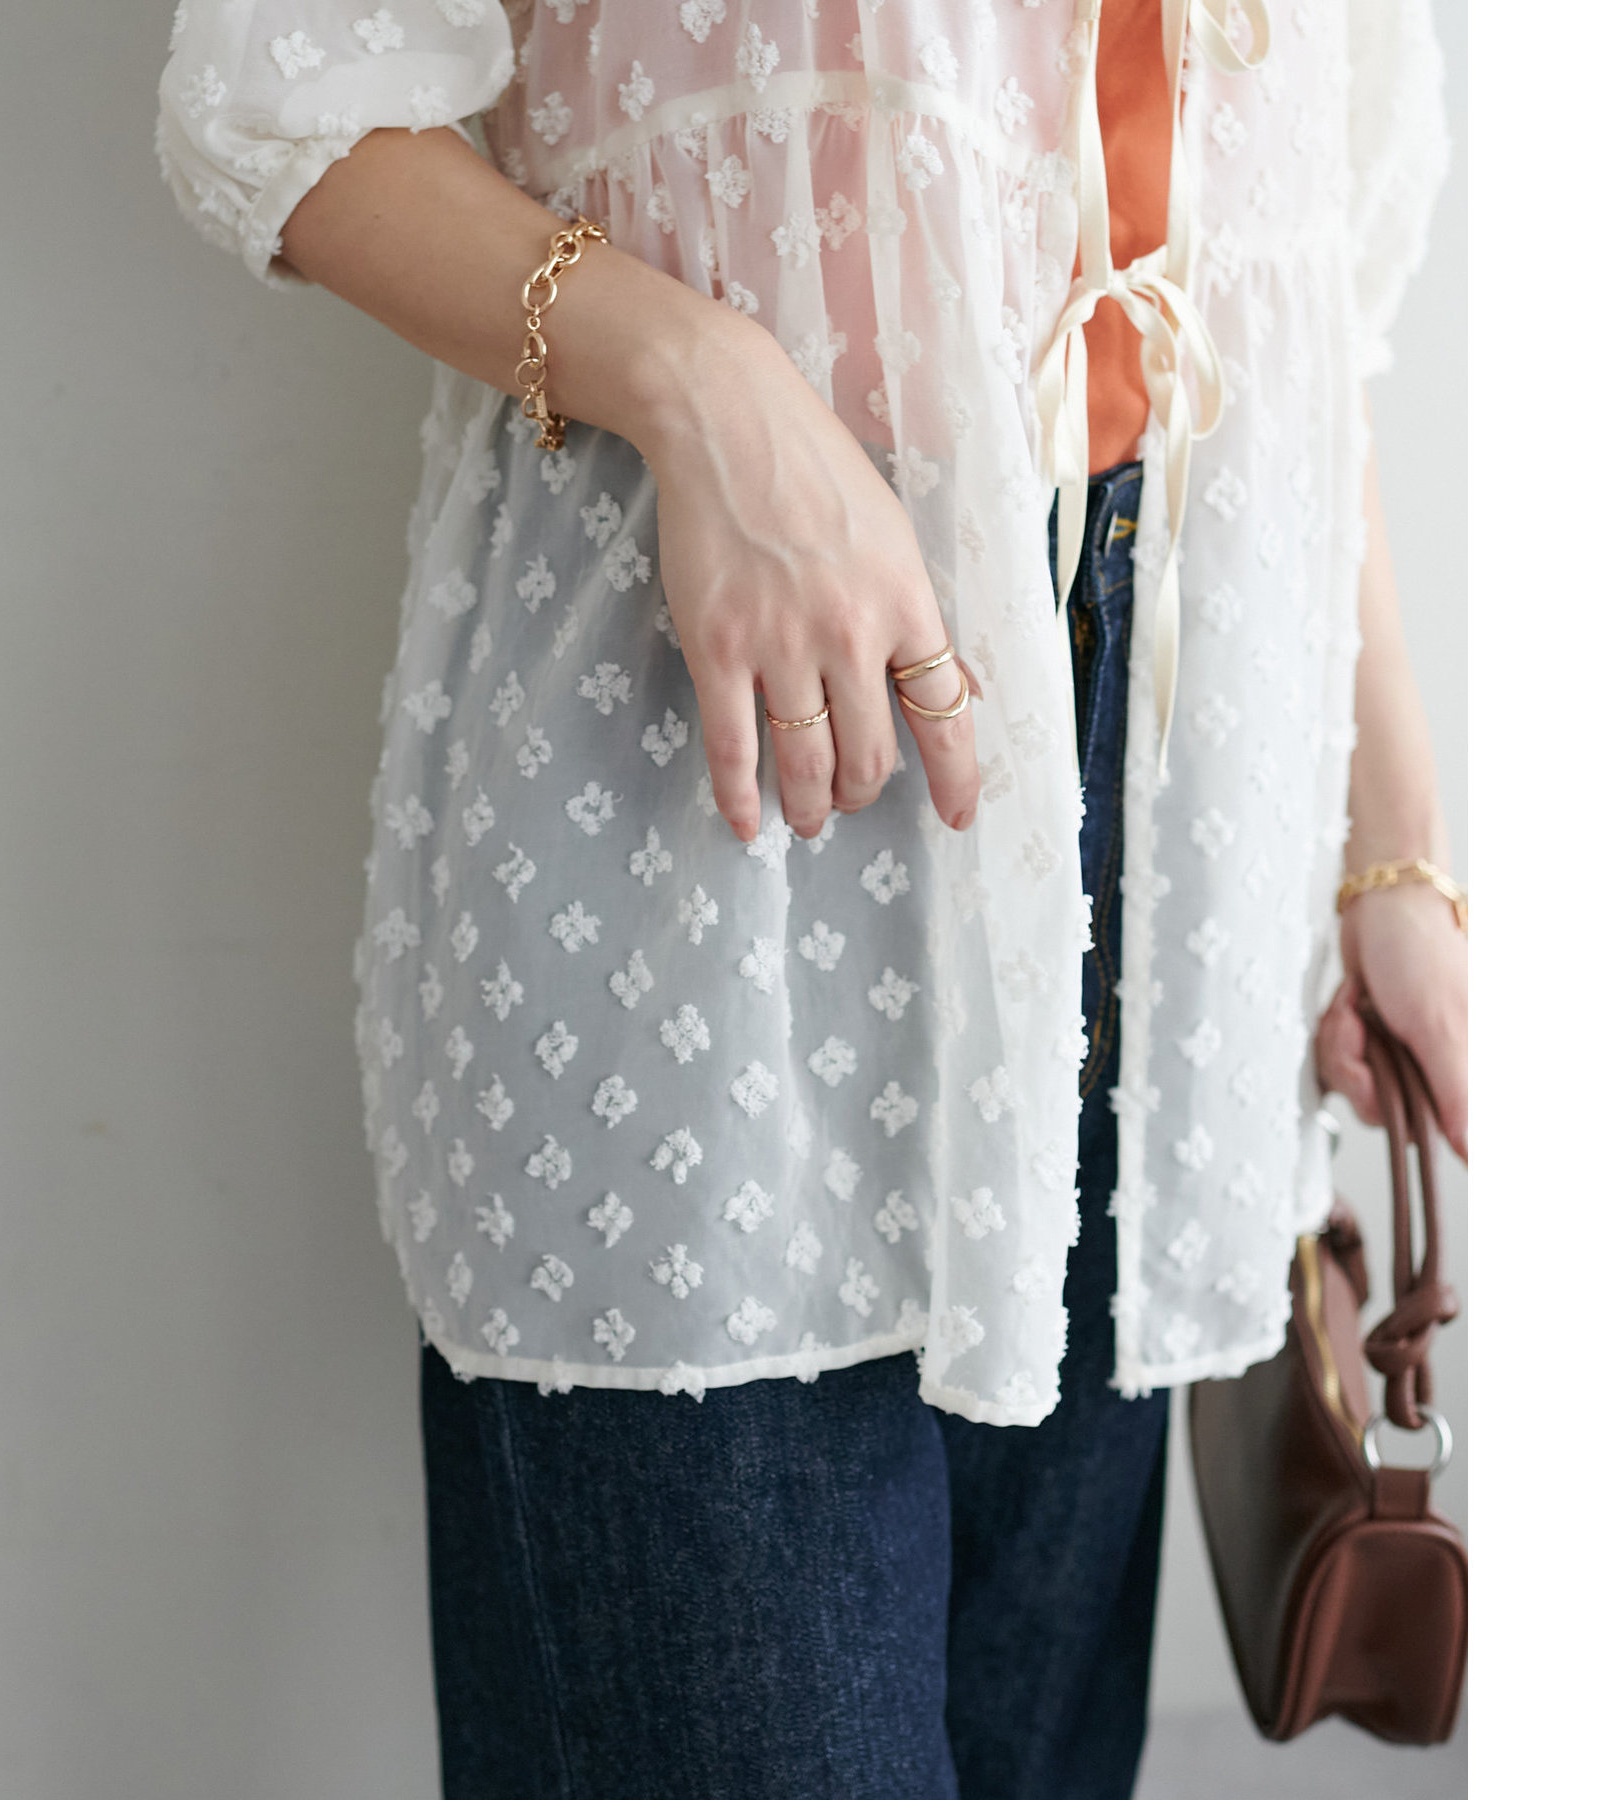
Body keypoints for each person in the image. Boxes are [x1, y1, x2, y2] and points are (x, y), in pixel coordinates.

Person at [156, 2, 1463, 1793]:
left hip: (1165, 872)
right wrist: (702, 383)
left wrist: (1390, 849)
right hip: (709, 821)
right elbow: (277, 104)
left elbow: (1292, 274)